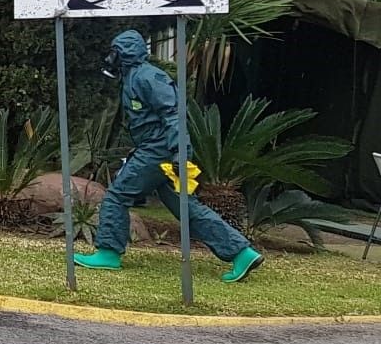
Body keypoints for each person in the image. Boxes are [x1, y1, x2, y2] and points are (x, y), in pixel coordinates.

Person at [76, 29, 263, 281]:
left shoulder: (148, 77)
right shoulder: (133, 77)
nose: (112, 58)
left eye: (115, 51)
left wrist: (179, 152)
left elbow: (172, 115)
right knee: (186, 208)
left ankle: (108, 252)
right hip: (156, 149)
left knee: (117, 196)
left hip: (158, 150)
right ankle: (242, 253)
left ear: (123, 53)